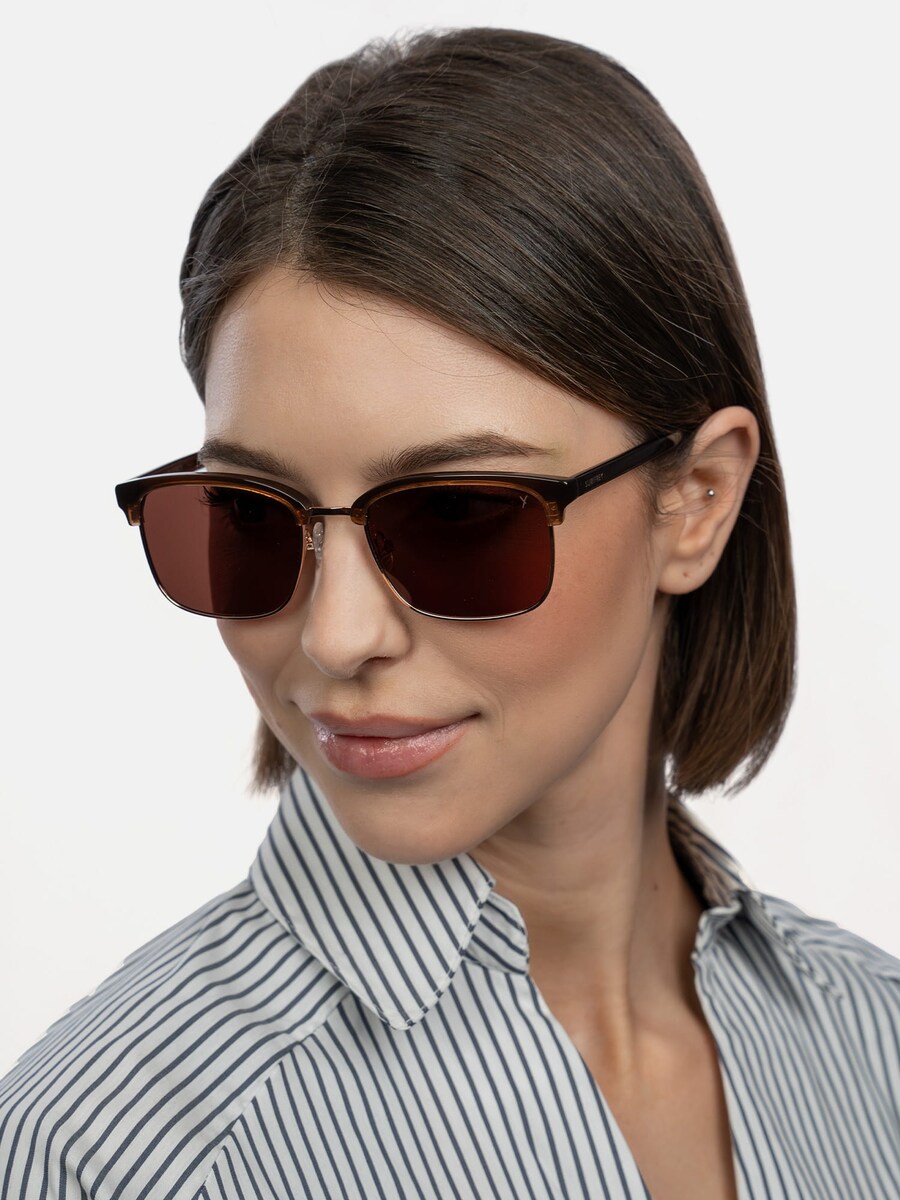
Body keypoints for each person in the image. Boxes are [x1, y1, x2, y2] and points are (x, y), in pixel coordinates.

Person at [1, 25, 897, 1200]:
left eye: (461, 514)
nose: (335, 636)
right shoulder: (108, 1155)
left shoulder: (877, 1046)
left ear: (696, 501)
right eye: (253, 516)